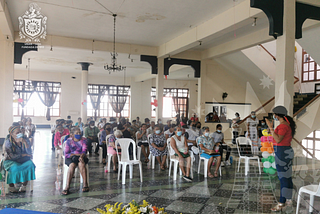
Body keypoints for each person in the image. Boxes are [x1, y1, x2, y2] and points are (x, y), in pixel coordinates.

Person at [265, 106, 295, 212]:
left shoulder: (283, 126)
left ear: (277, 115)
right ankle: (289, 199)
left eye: (274, 114)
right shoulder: (286, 124)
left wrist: (270, 127)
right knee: (287, 176)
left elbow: (278, 139)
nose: (273, 116)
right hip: (283, 151)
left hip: (282, 153)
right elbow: (277, 138)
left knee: (283, 177)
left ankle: (281, 202)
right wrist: (271, 130)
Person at [3, 125, 35, 193]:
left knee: (30, 165)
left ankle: (24, 185)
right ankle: (11, 186)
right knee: (14, 167)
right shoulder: (8, 142)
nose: (20, 134)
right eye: (17, 133)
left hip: (23, 160)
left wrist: (25, 143)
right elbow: (11, 156)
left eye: (20, 132)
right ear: (11, 134)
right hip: (11, 161)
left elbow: (29, 153)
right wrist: (23, 155)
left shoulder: (25, 140)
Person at [62, 127, 89, 195]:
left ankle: (85, 184)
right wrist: (74, 154)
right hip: (71, 157)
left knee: (81, 164)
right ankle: (67, 186)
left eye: (79, 132)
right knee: (72, 165)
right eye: (76, 133)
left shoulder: (84, 140)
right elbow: (66, 153)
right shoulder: (69, 141)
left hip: (81, 156)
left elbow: (84, 150)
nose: (78, 134)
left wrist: (81, 156)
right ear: (72, 134)